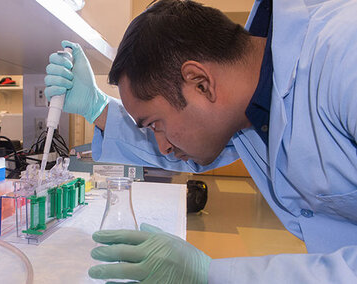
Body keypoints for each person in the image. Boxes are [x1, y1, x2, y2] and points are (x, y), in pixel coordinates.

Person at [44, 0, 357, 282]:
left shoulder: (346, 56)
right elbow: (181, 148)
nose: (163, 145)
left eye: (156, 124)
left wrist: (210, 274)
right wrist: (95, 109)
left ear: (201, 82)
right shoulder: (250, 97)